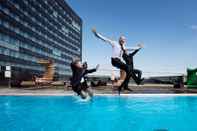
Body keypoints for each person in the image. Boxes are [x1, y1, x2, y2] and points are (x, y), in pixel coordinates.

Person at [92, 28, 143, 93]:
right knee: (128, 67)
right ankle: (137, 81)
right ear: (119, 39)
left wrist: (139, 47)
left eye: (124, 40)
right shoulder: (114, 43)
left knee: (129, 71)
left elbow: (131, 48)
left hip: (119, 61)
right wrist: (96, 34)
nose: (123, 41)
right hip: (114, 60)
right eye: (122, 39)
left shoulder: (124, 47)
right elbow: (105, 39)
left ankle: (126, 86)